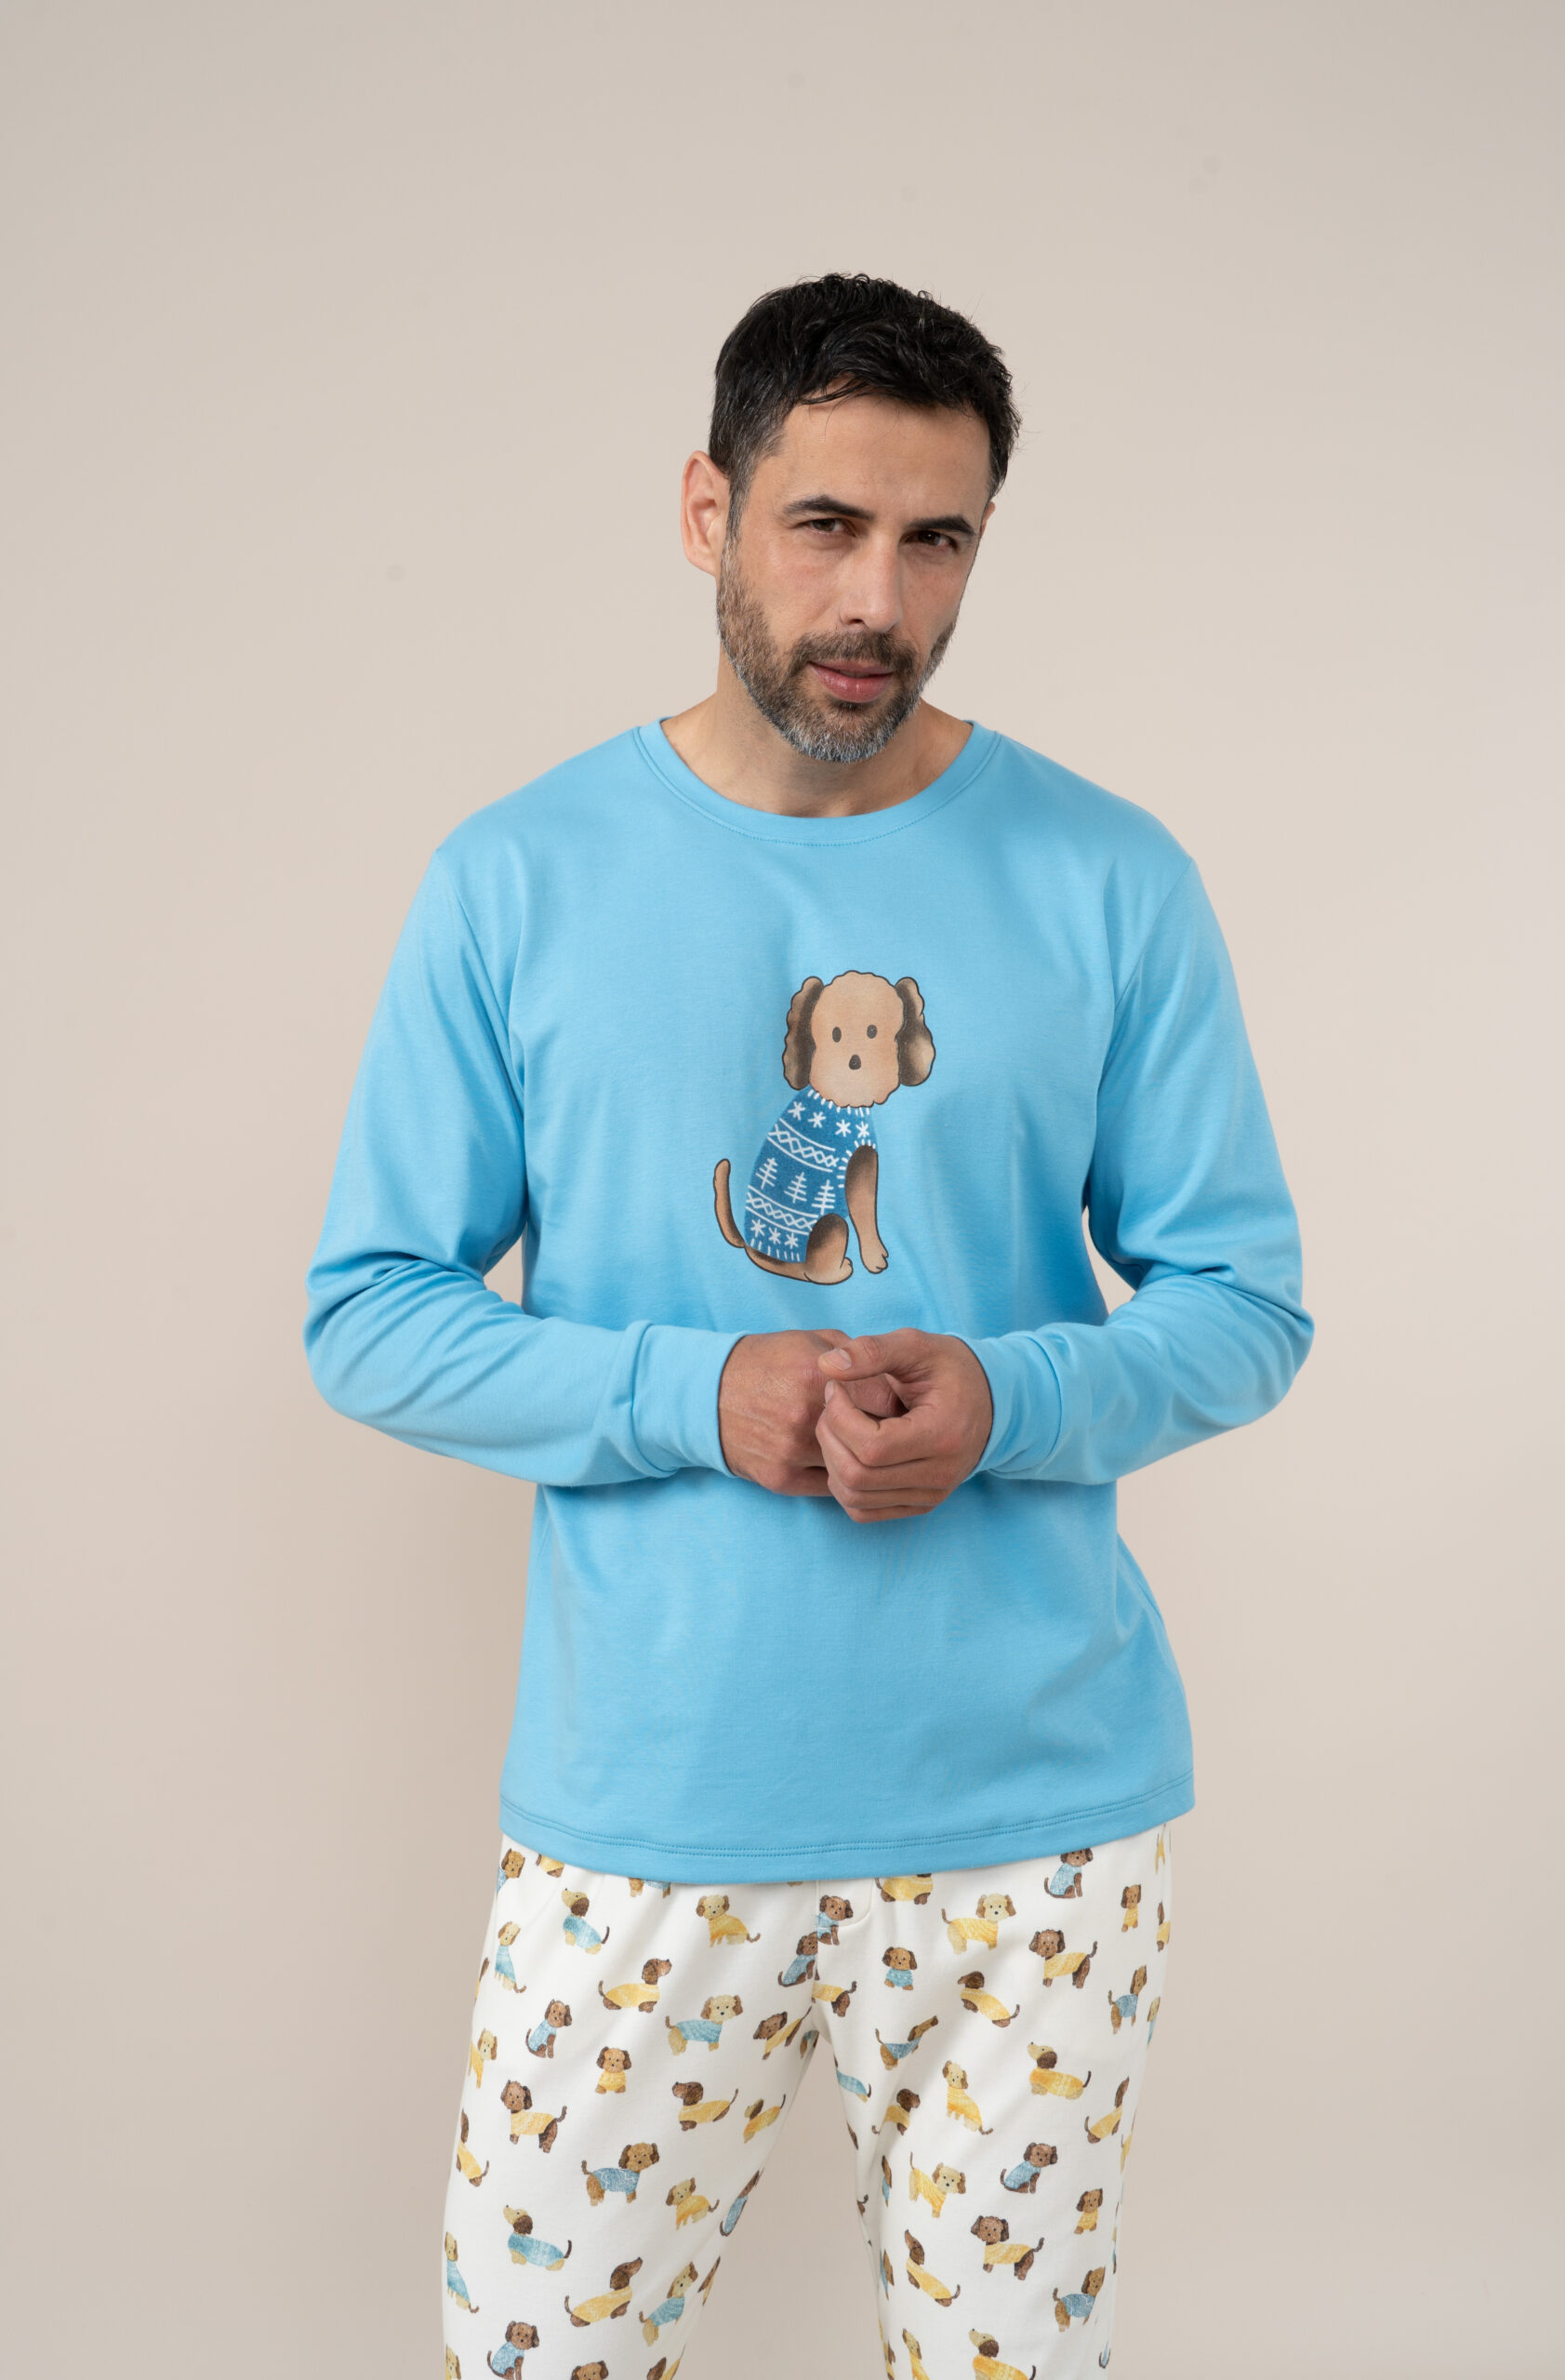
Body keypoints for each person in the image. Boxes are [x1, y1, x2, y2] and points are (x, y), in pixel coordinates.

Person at [304, 271, 1313, 2375]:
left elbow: (1242, 1305)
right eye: (824, 524)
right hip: (645, 1817)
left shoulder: (1107, 876)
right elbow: (371, 1315)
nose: (877, 598)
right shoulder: (515, 880)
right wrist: (700, 1390)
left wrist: (1007, 1394)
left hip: (1035, 1828)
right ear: (707, 510)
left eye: (937, 539)